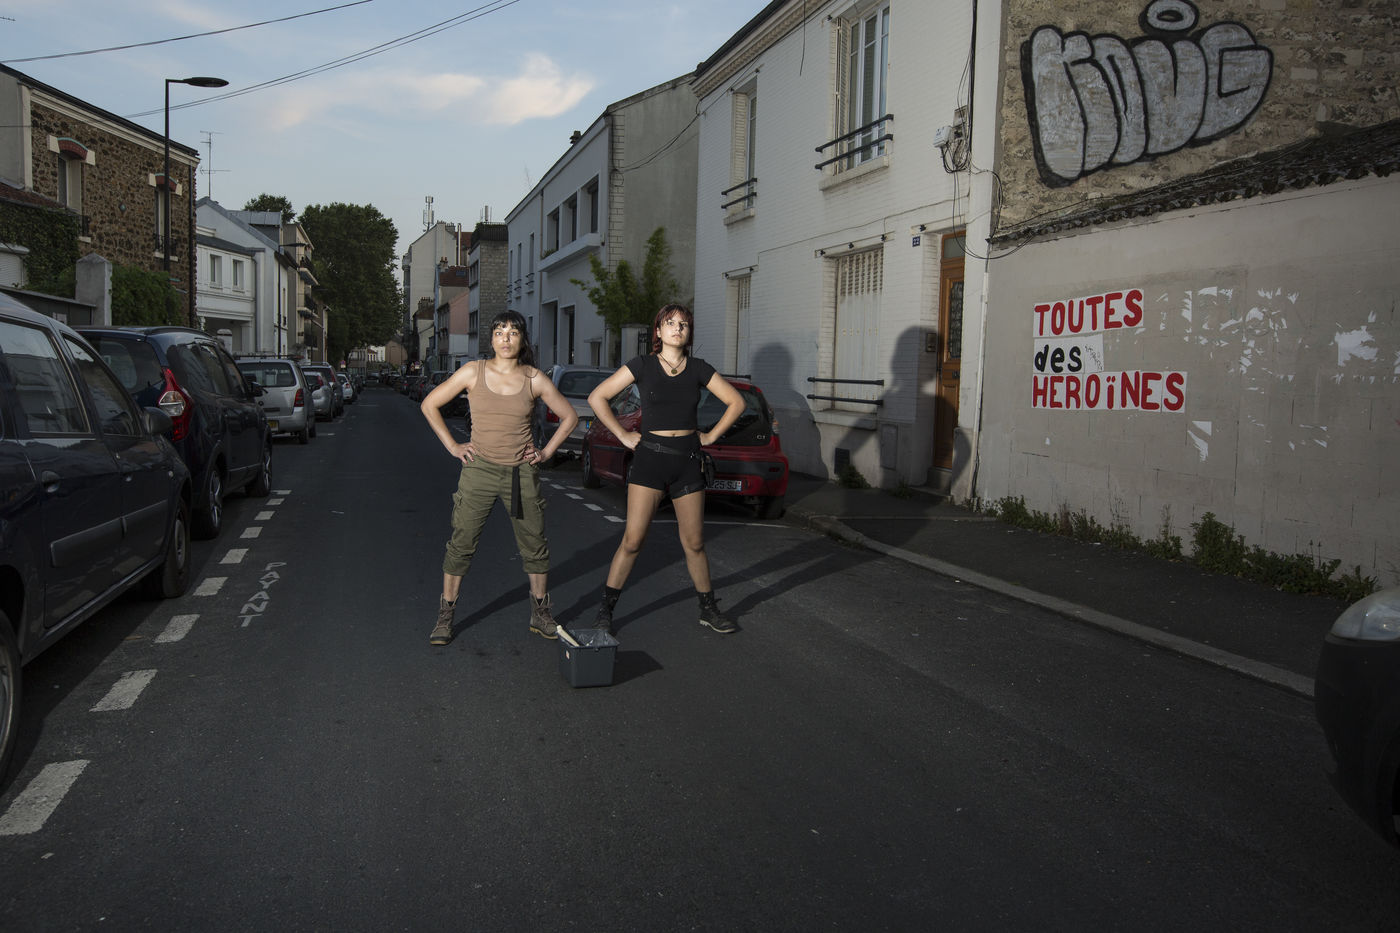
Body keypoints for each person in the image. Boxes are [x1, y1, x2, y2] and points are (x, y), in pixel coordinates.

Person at [585, 303, 746, 635]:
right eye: (670, 323)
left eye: (683, 324)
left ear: (689, 332)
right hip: (650, 462)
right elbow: (597, 397)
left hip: (687, 462)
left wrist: (711, 436)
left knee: (694, 543)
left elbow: (737, 402)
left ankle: (708, 609)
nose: (677, 328)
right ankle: (605, 611)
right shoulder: (642, 365)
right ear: (658, 331)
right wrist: (622, 435)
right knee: (632, 540)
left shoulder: (699, 368)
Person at [421, 311, 578, 646]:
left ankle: (540, 613)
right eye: (499, 332)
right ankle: (445, 615)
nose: (506, 339)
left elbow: (569, 417)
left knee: (533, 544)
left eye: (513, 332)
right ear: (491, 339)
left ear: (522, 340)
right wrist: (453, 445)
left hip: (520, 474)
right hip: (479, 470)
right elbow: (430, 404)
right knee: (462, 542)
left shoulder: (534, 378)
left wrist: (545, 453)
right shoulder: (472, 372)